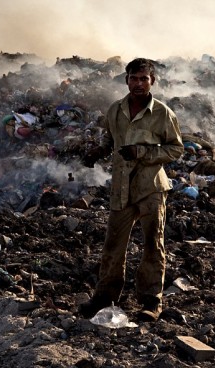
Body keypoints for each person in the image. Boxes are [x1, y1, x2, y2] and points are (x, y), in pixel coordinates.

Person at [79, 58, 184, 322]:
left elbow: (176, 149)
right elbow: (110, 138)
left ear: (153, 81)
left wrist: (143, 152)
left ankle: (151, 301)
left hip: (150, 188)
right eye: (134, 78)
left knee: (152, 245)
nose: (138, 84)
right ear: (126, 80)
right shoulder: (115, 110)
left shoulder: (163, 113)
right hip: (121, 188)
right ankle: (105, 297)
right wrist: (98, 151)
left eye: (144, 79)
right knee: (113, 245)